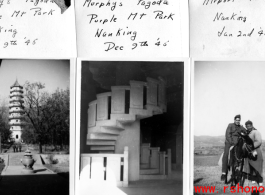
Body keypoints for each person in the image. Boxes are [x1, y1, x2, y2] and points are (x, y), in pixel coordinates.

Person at [221, 114, 246, 183]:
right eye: (236, 120)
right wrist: (232, 143)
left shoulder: (241, 127)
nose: (237, 121)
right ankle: (224, 172)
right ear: (234, 120)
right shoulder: (230, 125)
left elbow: (246, 132)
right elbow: (228, 135)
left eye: (239, 120)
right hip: (229, 143)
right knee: (226, 155)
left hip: (237, 144)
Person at [243, 120, 263, 186]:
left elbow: (259, 141)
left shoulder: (256, 132)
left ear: (252, 125)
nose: (248, 127)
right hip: (250, 152)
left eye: (249, 126)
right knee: (251, 166)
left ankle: (260, 180)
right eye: (247, 126)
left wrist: (251, 147)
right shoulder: (248, 133)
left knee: (258, 166)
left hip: (256, 151)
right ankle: (253, 179)